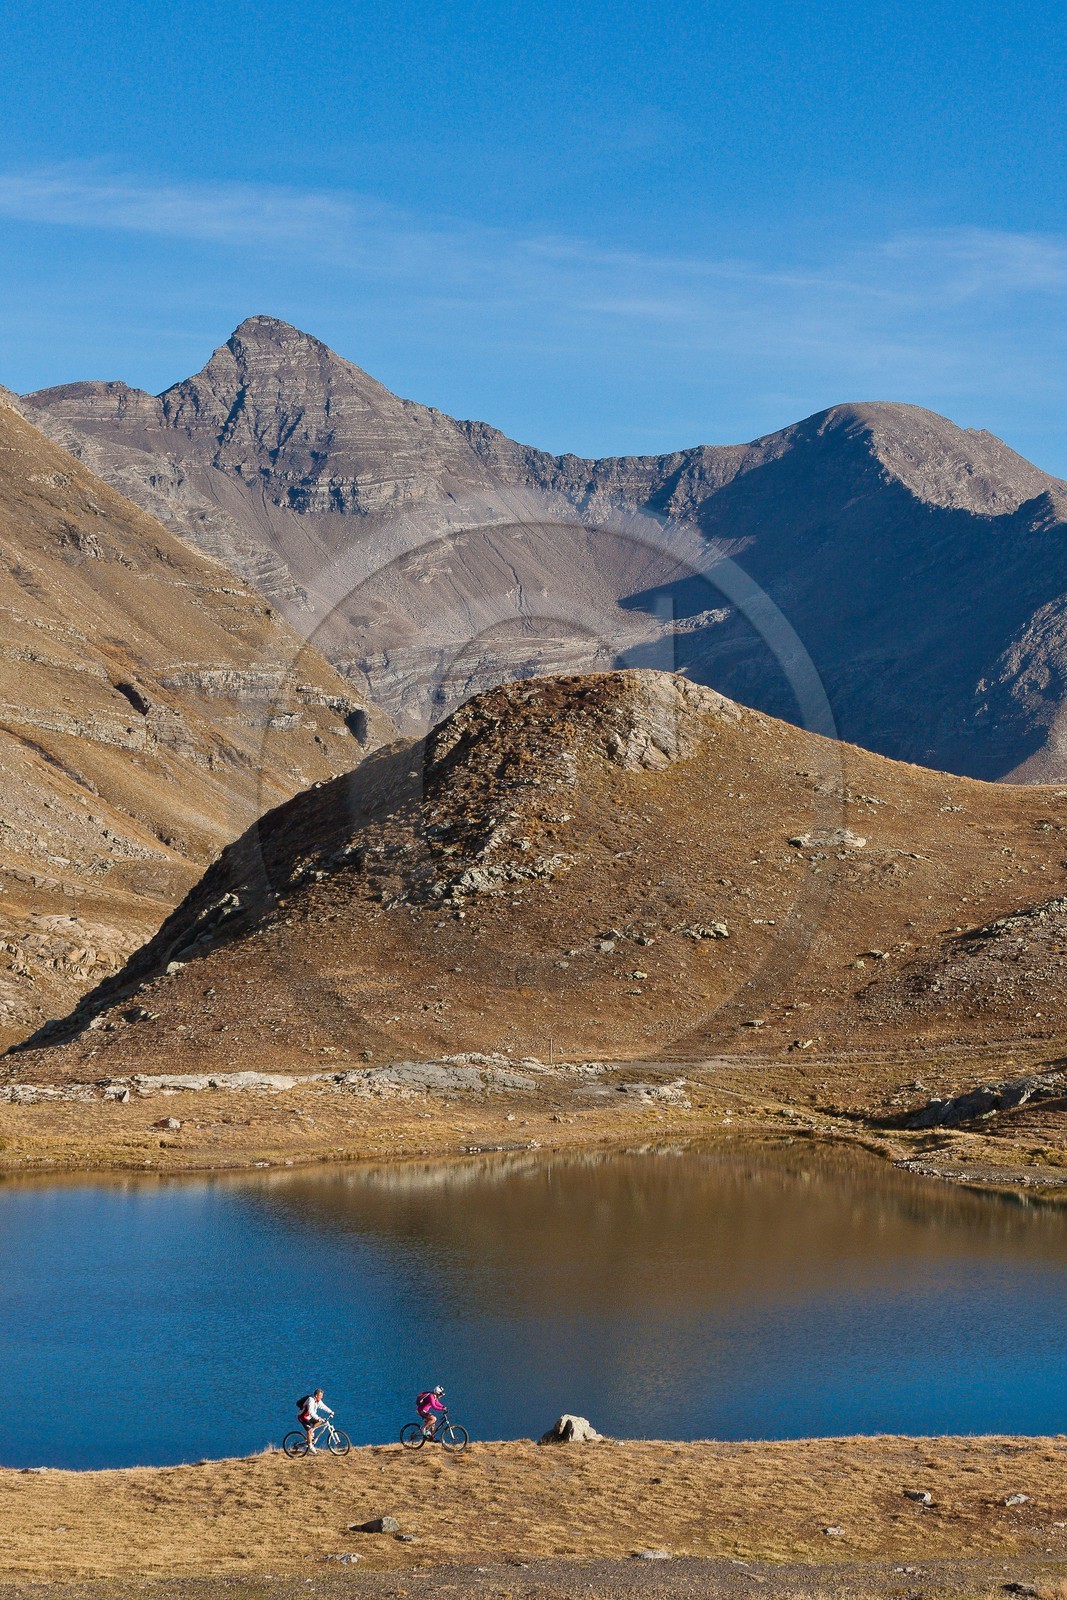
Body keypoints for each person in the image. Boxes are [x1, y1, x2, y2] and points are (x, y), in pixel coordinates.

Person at [298, 1388, 334, 1452]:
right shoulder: (311, 1400)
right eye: (320, 1396)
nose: (322, 1397)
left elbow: (323, 1406)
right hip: (303, 1417)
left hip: (309, 1416)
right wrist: (318, 1417)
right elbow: (311, 1412)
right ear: (316, 1395)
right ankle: (310, 1446)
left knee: (319, 1422)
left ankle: (311, 1433)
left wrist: (330, 1411)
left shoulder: (318, 1400)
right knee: (309, 1430)